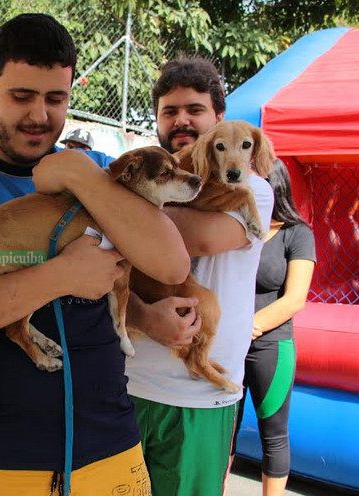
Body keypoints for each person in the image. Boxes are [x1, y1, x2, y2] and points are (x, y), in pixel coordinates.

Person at [0, 13, 190, 495]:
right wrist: (61, 276)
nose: (40, 115)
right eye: (21, 96)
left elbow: (172, 264)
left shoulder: (103, 175)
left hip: (112, 451)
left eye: (56, 98)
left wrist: (77, 175)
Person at [121, 56, 275, 496]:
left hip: (198, 397)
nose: (181, 120)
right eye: (169, 111)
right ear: (156, 121)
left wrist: (122, 208)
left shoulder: (252, 189)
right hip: (127, 384)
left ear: (219, 121)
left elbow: (201, 237)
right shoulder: (143, 183)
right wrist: (144, 317)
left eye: (195, 110)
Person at [232, 159, 316, 496]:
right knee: (223, 430)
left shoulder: (297, 234)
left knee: (274, 433)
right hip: (228, 345)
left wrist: (247, 327)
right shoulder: (237, 230)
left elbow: (295, 298)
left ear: (273, 186)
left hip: (270, 346)